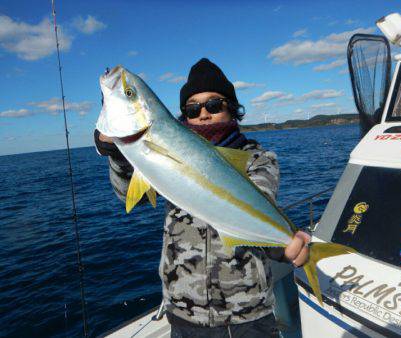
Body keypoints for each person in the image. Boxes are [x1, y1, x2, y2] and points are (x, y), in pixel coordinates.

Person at [94, 58, 309, 337]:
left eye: (214, 105)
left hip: (247, 314)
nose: (204, 114)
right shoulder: (160, 149)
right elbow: (129, 193)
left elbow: (253, 212)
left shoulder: (256, 159)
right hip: (184, 314)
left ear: (232, 108)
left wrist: (284, 244)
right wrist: (118, 153)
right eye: (193, 108)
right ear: (184, 116)